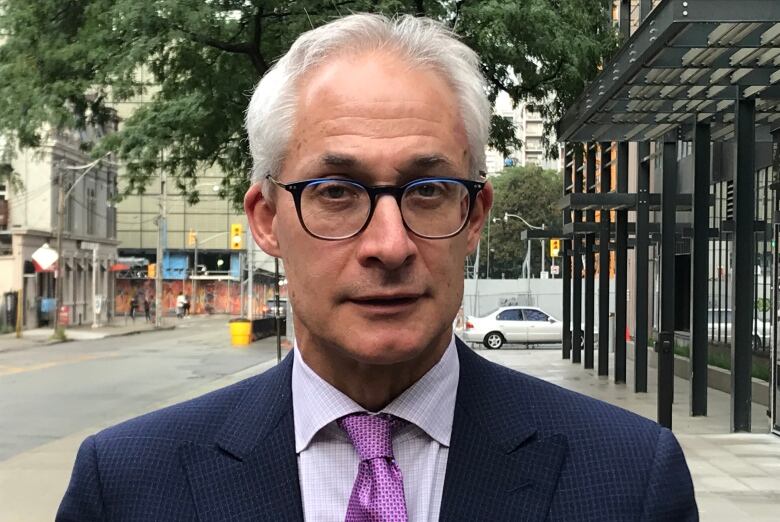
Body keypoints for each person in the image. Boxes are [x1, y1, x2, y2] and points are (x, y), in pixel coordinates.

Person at [57, 14, 697, 521]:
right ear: (266, 219)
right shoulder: (127, 485)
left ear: (475, 216)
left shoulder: (628, 478)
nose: (389, 246)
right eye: (336, 192)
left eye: (428, 191)